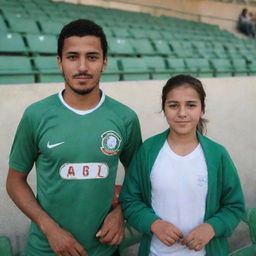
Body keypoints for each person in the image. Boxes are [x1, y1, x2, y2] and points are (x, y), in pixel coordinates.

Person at [6, 19, 142, 256]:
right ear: (59, 62)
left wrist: (121, 213)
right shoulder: (36, 115)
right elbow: (15, 182)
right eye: (72, 57)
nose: (82, 67)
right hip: (46, 249)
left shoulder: (125, 118)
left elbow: (138, 175)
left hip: (104, 250)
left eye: (92, 57)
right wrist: (51, 230)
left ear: (104, 62)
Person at [119, 75, 245, 256]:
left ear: (202, 109)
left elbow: (234, 206)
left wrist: (211, 227)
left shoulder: (218, 155)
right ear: (164, 109)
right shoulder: (148, 151)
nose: (182, 113)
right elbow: (130, 200)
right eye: (173, 105)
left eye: (191, 105)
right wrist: (154, 224)